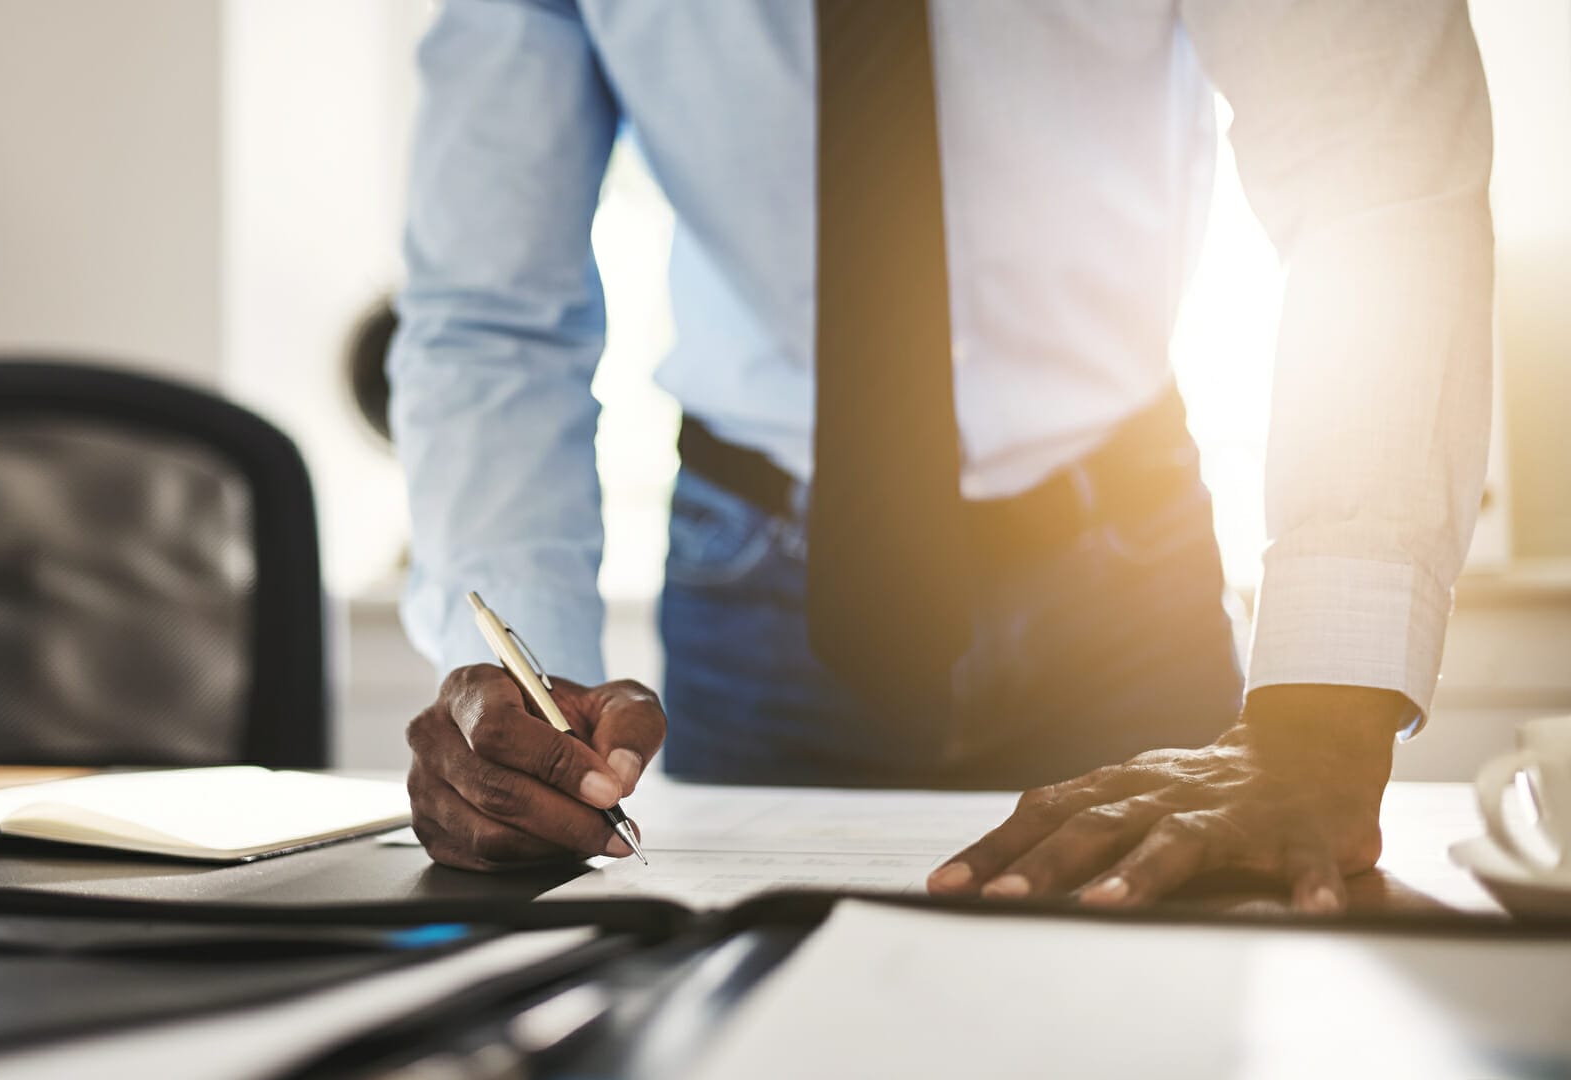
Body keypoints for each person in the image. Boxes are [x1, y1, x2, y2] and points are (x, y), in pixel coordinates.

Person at [387, 1, 1492, 912]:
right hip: (758, 590)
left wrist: (1324, 713)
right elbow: (493, 317)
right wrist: (529, 713)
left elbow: (1376, 175)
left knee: (1167, 1012)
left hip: (1126, 576)